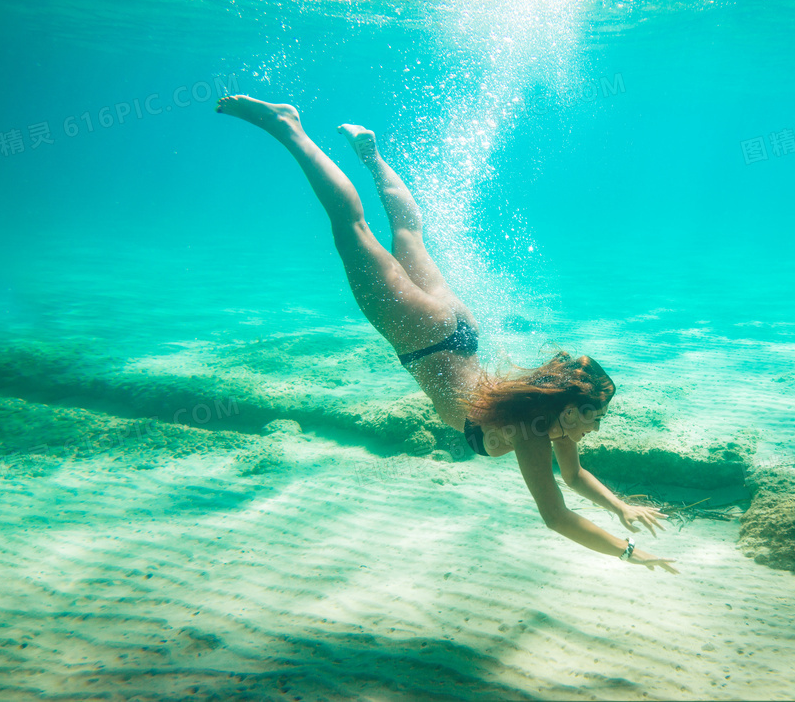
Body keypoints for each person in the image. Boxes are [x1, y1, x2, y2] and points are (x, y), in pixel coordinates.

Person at [217, 95, 677, 573]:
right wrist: (630, 552)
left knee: (408, 236)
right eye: (592, 416)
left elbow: (576, 476)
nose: (595, 427)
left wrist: (621, 507)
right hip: (423, 337)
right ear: (567, 404)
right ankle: (287, 127)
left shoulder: (548, 414)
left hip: (457, 328)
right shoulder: (533, 430)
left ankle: (371, 155)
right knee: (350, 228)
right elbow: (556, 515)